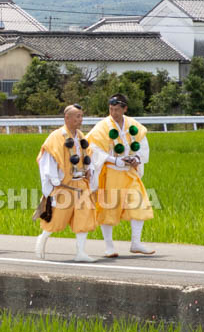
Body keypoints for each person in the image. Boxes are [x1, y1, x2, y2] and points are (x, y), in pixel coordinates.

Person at [87, 93, 154, 257]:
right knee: (108, 208)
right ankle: (109, 247)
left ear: (125, 109)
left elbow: (142, 146)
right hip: (111, 172)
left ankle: (136, 243)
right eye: (111, 109)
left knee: (139, 204)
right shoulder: (102, 127)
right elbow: (93, 149)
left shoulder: (133, 125)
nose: (113, 112)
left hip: (129, 172)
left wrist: (136, 158)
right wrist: (113, 160)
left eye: (117, 109)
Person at [34, 104, 96, 262]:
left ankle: (80, 252)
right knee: (56, 218)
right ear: (67, 118)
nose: (80, 120)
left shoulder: (81, 136)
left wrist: (89, 169)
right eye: (77, 116)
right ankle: (42, 238)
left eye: (81, 116)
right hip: (63, 185)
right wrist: (54, 181)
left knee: (84, 217)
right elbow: (48, 160)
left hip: (80, 184)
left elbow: (87, 155)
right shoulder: (56, 137)